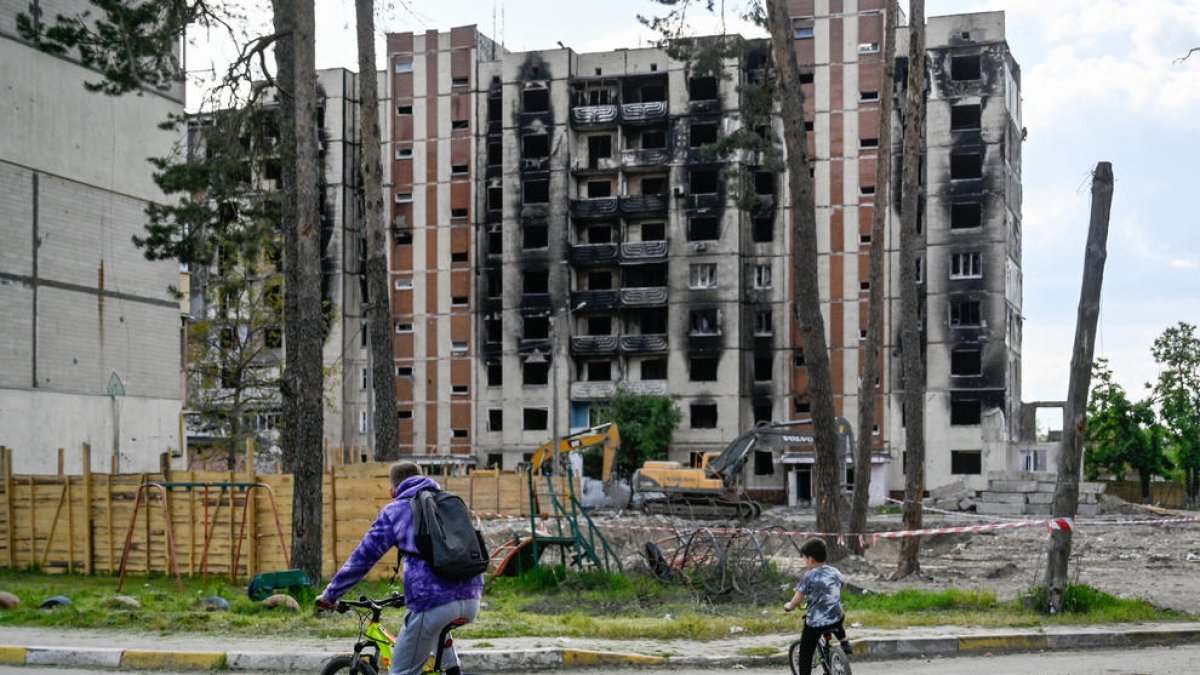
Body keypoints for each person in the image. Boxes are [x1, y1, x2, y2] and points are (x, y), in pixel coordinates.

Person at [316, 461, 483, 675]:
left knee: (401, 670)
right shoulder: (448, 503)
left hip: (432, 602)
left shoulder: (396, 510)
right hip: (472, 596)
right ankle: (453, 669)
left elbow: (362, 558)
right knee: (438, 640)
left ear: (392, 491)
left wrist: (331, 594)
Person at [783, 537, 852, 674]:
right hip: (837, 617)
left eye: (805, 559)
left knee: (805, 652)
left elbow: (796, 601)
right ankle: (844, 643)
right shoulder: (834, 571)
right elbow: (843, 584)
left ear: (811, 559)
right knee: (836, 616)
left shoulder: (809, 577)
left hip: (816, 623)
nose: (805, 562)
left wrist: (788, 606)